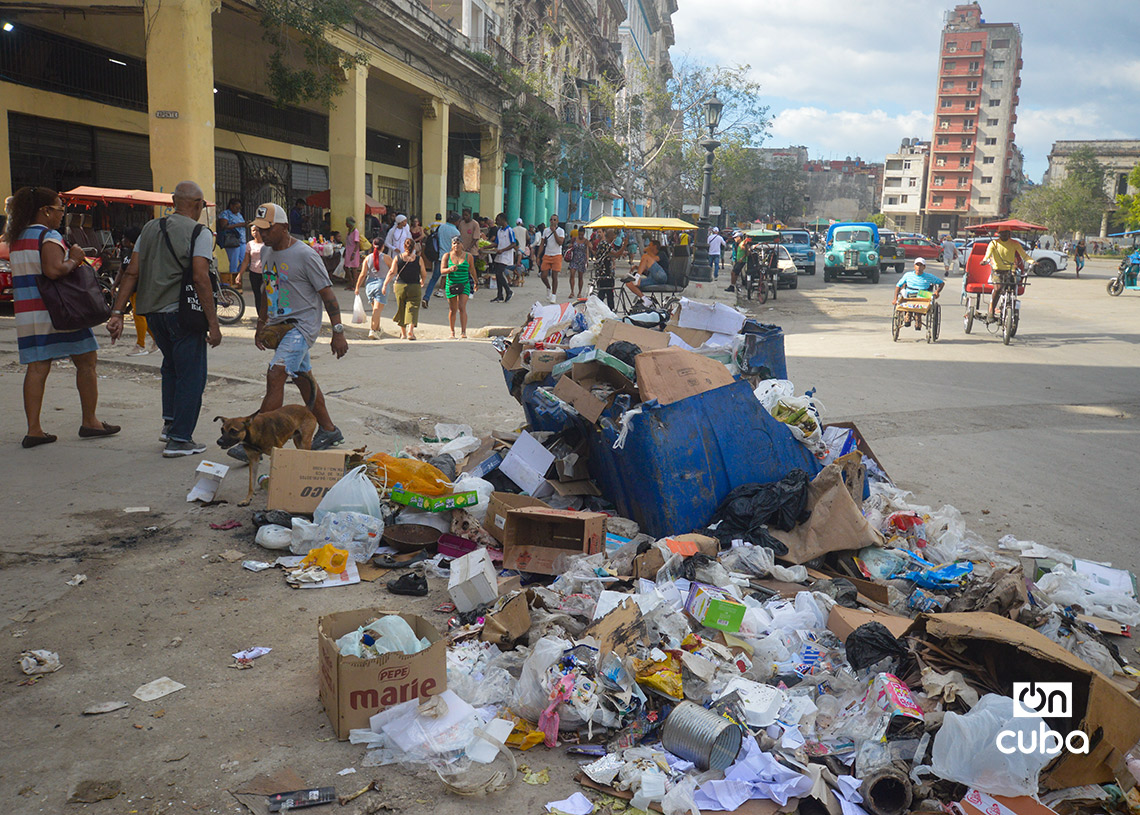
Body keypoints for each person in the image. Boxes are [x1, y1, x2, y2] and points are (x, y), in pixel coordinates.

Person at [109, 181, 218, 456]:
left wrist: (117, 312)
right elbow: (200, 277)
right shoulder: (199, 233)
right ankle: (180, 439)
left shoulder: (150, 228)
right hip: (182, 315)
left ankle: (170, 426)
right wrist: (213, 324)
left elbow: (132, 273)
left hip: (152, 314)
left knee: (171, 367)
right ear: (198, 205)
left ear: (173, 202)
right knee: (192, 375)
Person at [7, 186, 120, 448]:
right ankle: (90, 421)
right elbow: (55, 270)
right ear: (45, 211)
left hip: (29, 313)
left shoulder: (16, 237)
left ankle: (34, 430)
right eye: (59, 209)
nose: (61, 214)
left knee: (37, 367)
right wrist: (76, 258)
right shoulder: (48, 236)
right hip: (60, 312)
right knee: (87, 360)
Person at [240, 201, 346, 457]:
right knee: (302, 379)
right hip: (280, 326)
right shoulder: (266, 252)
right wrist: (261, 322)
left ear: (285, 228)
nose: (262, 234)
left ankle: (257, 440)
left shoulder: (305, 255)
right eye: (258, 229)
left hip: (302, 327)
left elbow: (328, 294)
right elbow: (268, 289)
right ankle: (329, 429)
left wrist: (338, 331)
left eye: (267, 229)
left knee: (276, 374)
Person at [117, 226, 155, 356]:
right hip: (132, 289)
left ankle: (141, 345)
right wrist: (115, 285)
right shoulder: (126, 252)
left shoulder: (143, 253)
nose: (122, 240)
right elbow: (122, 270)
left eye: (125, 238)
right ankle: (156, 340)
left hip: (141, 287)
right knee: (141, 316)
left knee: (139, 316)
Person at [381, 236, 428, 340]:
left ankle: (403, 333)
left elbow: (392, 272)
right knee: (413, 308)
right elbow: (424, 273)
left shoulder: (398, 258)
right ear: (414, 247)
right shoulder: (418, 259)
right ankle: (410, 331)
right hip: (414, 286)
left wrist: (385, 285)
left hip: (400, 286)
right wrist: (422, 281)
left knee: (401, 308)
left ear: (404, 247)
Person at [981, 228, 1030, 323]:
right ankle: (991, 312)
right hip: (997, 272)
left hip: (1010, 272)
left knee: (1014, 286)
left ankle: (1011, 308)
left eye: (1006, 233)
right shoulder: (994, 243)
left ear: (1009, 234)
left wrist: (1033, 262)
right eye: (1002, 233)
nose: (1004, 235)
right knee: (998, 289)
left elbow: (1025, 256)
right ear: (999, 234)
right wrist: (984, 260)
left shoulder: (1014, 244)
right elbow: (987, 255)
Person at [441, 235, 477, 339]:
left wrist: (476, 281)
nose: (456, 245)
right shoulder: (447, 256)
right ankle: (452, 331)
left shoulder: (468, 256)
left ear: (462, 244)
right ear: (452, 245)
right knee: (453, 309)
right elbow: (442, 271)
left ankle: (463, 332)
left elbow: (472, 269)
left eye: (458, 243)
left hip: (464, 283)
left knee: (462, 306)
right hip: (451, 284)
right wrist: (449, 269)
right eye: (454, 243)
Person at [892, 258, 944, 330]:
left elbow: (941, 283)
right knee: (903, 294)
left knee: (926, 300)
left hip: (923, 294)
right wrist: (895, 299)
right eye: (917, 265)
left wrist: (937, 291)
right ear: (914, 266)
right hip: (910, 293)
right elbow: (898, 286)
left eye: (921, 265)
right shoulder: (908, 275)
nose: (919, 267)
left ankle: (918, 318)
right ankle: (908, 314)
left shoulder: (929, 276)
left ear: (924, 267)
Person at [423, 212, 460, 309]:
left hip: (440, 257)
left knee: (434, 278)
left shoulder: (441, 227)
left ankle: (426, 297)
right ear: (456, 221)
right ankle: (453, 302)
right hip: (451, 258)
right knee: (453, 279)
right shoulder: (456, 232)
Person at [354, 239, 389, 339]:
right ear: (383, 246)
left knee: (375, 310)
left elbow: (362, 274)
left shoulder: (367, 258)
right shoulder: (386, 258)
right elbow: (393, 269)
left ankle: (377, 329)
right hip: (381, 284)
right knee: (377, 310)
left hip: (369, 285)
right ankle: (373, 330)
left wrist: (357, 287)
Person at [217, 198, 251, 282]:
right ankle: (232, 282)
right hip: (232, 241)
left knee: (245, 261)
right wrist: (240, 224)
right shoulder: (225, 214)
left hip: (242, 241)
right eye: (236, 207)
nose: (238, 210)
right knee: (234, 263)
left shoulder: (239, 214)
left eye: (239, 208)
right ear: (231, 206)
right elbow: (224, 226)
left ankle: (236, 278)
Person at [236, 224, 266, 319]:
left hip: (265, 274)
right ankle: (260, 316)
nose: (255, 233)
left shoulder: (267, 244)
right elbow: (246, 260)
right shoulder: (249, 244)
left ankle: (267, 315)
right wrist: (240, 274)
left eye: (257, 230)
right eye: (253, 231)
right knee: (257, 295)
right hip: (254, 273)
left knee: (264, 294)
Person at [624, 240, 668, 305]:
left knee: (645, 257)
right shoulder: (649, 259)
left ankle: (637, 277)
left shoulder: (662, 253)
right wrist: (637, 268)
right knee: (629, 283)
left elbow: (655, 259)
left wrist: (648, 251)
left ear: (654, 246)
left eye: (650, 245)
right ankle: (645, 300)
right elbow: (648, 270)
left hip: (662, 276)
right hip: (653, 278)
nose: (648, 247)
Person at [590, 229, 624, 309]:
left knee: (604, 293)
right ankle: (607, 311)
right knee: (607, 294)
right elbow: (616, 254)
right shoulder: (605, 244)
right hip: (605, 274)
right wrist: (624, 245)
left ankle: (604, 310)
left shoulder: (603, 244)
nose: (615, 237)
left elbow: (609, 255)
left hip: (602, 273)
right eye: (614, 235)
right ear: (611, 236)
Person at [489, 212, 516, 303]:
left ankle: (508, 290)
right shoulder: (499, 231)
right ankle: (499, 295)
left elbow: (513, 244)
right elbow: (496, 243)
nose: (497, 222)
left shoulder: (510, 230)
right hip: (499, 255)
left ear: (503, 220)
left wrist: (503, 250)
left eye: (498, 220)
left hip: (506, 255)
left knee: (499, 273)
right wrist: (485, 247)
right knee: (497, 274)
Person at [538, 214, 565, 303]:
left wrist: (554, 232)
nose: (552, 221)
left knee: (554, 276)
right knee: (543, 275)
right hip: (547, 254)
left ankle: (553, 295)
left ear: (557, 221)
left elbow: (560, 242)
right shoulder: (546, 231)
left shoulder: (561, 231)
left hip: (557, 255)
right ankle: (548, 287)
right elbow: (542, 243)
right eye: (551, 220)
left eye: (554, 220)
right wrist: (538, 256)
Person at [566, 228, 589, 299]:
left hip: (582, 260)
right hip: (574, 259)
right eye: (580, 234)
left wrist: (587, 260)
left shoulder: (586, 241)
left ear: (584, 234)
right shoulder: (574, 239)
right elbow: (569, 245)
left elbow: (587, 251)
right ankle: (572, 291)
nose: (581, 236)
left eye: (582, 234)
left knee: (580, 277)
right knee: (572, 274)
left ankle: (579, 292)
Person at [343, 216, 361, 290]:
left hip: (353, 252)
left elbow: (357, 243)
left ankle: (354, 285)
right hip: (348, 251)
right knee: (346, 267)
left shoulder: (355, 231)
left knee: (354, 269)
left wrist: (353, 253)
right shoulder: (349, 231)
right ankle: (351, 283)